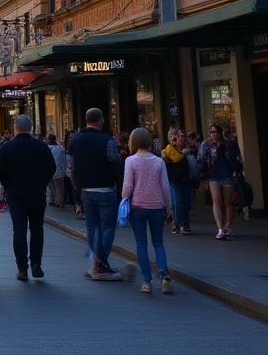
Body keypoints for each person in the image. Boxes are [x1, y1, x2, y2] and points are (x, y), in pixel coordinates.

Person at [0, 115, 56, 281]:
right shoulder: (41, 146)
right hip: (37, 193)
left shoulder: (8, 147)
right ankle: (36, 264)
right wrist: (42, 182)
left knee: (19, 230)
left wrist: (9, 186)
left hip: (16, 194)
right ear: (31, 128)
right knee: (37, 229)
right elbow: (52, 168)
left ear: (15, 128)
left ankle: (22, 268)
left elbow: (0, 172)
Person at [68, 108, 124, 280]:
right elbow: (115, 162)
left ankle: (96, 262)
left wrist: (77, 187)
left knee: (92, 226)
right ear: (100, 120)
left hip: (86, 189)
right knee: (107, 226)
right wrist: (120, 184)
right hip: (106, 188)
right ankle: (101, 262)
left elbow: (71, 167)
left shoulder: (75, 140)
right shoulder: (107, 140)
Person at [122, 127, 174, 294]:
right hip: (157, 206)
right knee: (158, 242)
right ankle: (163, 274)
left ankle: (147, 281)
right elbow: (165, 187)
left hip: (137, 206)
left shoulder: (130, 161)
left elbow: (128, 185)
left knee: (141, 244)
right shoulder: (158, 161)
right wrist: (168, 207)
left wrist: (124, 199)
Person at [198, 123, 242, 239]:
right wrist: (203, 173)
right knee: (216, 201)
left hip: (227, 174)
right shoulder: (207, 145)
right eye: (211, 132)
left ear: (220, 133)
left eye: (215, 132)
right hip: (214, 175)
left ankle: (229, 226)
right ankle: (220, 228)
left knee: (228, 202)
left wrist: (237, 172)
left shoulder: (229, 144)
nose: (213, 134)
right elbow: (201, 159)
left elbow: (237, 159)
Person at [162, 127, 195, 235]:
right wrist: (172, 146)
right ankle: (176, 223)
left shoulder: (189, 150)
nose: (181, 138)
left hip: (187, 180)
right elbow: (165, 161)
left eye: (183, 136)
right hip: (174, 180)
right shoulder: (168, 150)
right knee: (176, 202)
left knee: (186, 203)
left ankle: (185, 223)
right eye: (178, 136)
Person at [46, 133, 67, 207]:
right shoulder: (61, 148)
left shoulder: (47, 148)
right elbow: (64, 160)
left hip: (49, 170)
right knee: (60, 187)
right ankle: (60, 201)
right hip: (60, 170)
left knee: (50, 186)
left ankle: (52, 199)